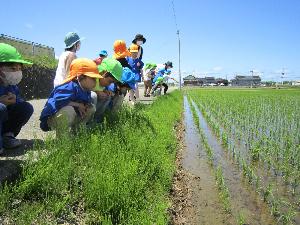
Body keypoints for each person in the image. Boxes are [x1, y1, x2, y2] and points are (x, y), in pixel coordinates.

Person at [40, 58, 108, 135]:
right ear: (80, 77)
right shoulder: (69, 86)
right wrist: (78, 105)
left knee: (91, 108)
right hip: (51, 118)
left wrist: (85, 105)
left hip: (70, 115)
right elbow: (59, 100)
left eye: (96, 79)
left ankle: (77, 133)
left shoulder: (86, 90)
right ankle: (63, 140)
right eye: (92, 78)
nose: (96, 82)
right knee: (68, 110)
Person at [0, 43, 34, 154]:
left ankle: (7, 135)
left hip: (4, 121)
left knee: (26, 107)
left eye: (19, 68)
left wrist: (16, 101)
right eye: (13, 68)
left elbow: (20, 101)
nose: (17, 72)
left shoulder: (12, 86)